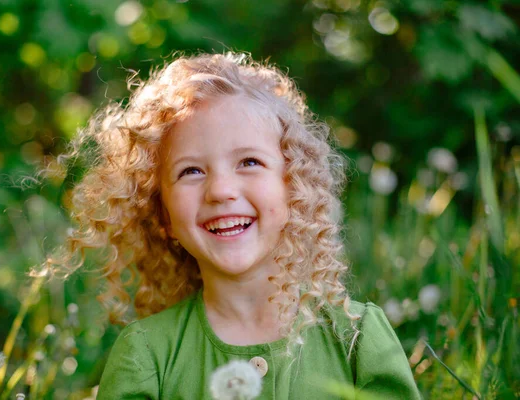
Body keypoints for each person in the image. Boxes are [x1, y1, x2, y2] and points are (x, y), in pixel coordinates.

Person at [59, 53, 421, 399]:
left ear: (294, 187)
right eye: (191, 171)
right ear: (163, 214)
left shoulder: (358, 338)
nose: (220, 191)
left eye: (248, 162)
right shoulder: (147, 353)